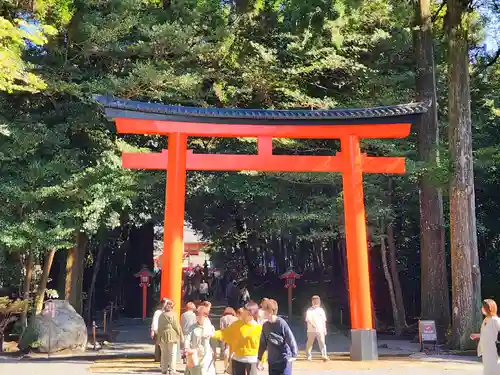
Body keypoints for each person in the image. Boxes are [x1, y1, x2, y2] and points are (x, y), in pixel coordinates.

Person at [213, 301, 263, 375]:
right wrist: (211, 333)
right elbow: (224, 333)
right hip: (237, 359)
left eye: (244, 311)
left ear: (250, 314)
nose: (242, 312)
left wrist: (261, 360)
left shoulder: (258, 328)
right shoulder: (236, 324)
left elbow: (262, 345)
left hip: (251, 360)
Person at [258, 299, 298, 375]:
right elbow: (263, 344)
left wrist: (294, 353)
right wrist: (259, 358)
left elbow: (290, 338)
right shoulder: (265, 325)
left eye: (264, 310)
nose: (262, 312)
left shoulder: (281, 323)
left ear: (271, 311)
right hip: (272, 361)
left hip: (284, 360)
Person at [471, 299, 500, 375]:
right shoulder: (485, 320)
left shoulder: (496, 320)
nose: (482, 309)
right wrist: (477, 335)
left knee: (494, 369)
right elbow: (487, 333)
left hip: (494, 350)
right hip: (485, 350)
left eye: (483, 307)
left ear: (489, 308)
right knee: (487, 369)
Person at [184, 306, 216, 375]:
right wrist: (187, 349)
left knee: (204, 370)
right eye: (196, 315)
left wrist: (214, 351)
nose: (197, 317)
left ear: (205, 316)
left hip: (206, 354)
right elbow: (187, 339)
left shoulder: (210, 327)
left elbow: (213, 339)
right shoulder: (192, 327)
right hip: (195, 354)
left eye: (199, 315)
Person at [157, 299, 184, 374]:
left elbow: (159, 326)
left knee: (164, 353)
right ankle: (172, 370)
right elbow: (176, 326)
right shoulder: (173, 314)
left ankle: (164, 369)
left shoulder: (161, 315)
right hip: (171, 335)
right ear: (172, 307)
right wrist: (181, 335)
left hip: (162, 336)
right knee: (172, 353)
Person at [305, 295, 328, 361]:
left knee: (322, 342)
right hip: (311, 330)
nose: (316, 302)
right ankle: (309, 355)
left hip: (320, 329)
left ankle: (324, 355)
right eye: (315, 301)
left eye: (317, 301)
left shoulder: (321, 310)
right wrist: (313, 325)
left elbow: (324, 320)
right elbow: (308, 319)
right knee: (310, 343)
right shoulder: (309, 310)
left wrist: (325, 329)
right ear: (312, 302)